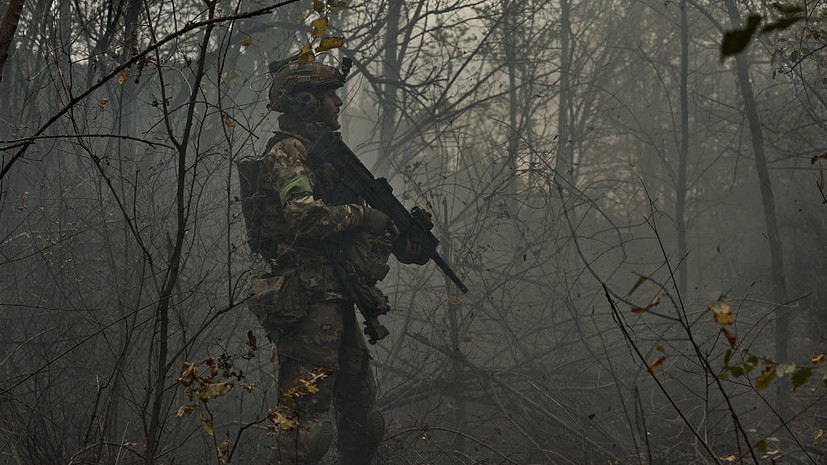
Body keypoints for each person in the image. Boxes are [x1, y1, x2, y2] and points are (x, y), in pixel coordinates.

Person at [236, 58, 427, 465]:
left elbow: (348, 224)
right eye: (329, 94)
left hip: (339, 296)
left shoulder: (326, 153)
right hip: (306, 299)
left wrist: (399, 239)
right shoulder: (288, 153)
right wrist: (365, 216)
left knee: (364, 423)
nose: (338, 102)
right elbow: (304, 217)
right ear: (305, 101)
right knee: (308, 431)